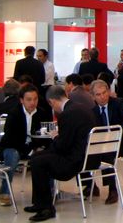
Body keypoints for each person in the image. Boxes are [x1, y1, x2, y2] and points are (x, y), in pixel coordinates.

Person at [25, 85, 97, 222]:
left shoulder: (67, 114)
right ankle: (40, 203)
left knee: (37, 161)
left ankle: (46, 208)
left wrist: (55, 137)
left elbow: (62, 146)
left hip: (74, 161)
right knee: (37, 157)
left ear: (52, 102)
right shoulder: (82, 108)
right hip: (88, 157)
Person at [90, 79, 123, 204]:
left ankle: (112, 189)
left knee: (107, 152)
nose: (102, 97)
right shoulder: (92, 111)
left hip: (122, 143)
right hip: (102, 144)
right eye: (98, 94)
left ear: (108, 92)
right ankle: (89, 185)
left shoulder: (118, 104)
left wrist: (115, 135)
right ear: (93, 97)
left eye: (104, 93)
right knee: (82, 153)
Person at [0, 84, 48, 206]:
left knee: (48, 156)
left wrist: (37, 147)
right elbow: (10, 138)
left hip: (32, 147)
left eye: (35, 99)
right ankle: (5, 191)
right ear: (21, 100)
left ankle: (48, 192)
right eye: (29, 99)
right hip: (12, 147)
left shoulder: (42, 113)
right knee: (13, 155)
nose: (32, 102)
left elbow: (44, 135)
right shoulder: (14, 114)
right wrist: (29, 148)